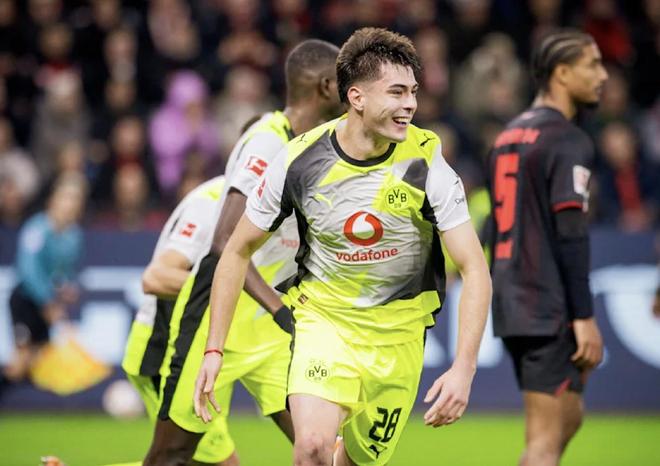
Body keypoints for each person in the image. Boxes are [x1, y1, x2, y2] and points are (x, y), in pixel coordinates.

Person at [195, 28, 491, 466]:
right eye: (396, 92)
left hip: (399, 341)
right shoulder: (299, 160)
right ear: (356, 97)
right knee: (311, 447)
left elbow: (475, 268)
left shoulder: (426, 161)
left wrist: (464, 369)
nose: (410, 103)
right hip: (325, 326)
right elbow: (235, 249)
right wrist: (214, 350)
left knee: (353, 460)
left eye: (412, 91)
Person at [143, 38, 343, 466]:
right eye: (346, 85)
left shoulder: (318, 148)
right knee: (172, 456)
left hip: (274, 332)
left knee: (320, 449)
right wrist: (280, 310)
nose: (353, 97)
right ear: (327, 87)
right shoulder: (267, 142)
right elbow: (226, 243)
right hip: (220, 319)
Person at [487, 30, 606, 466]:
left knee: (569, 417)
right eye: (592, 64)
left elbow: (492, 222)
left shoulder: (507, 137)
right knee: (544, 444)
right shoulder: (566, 139)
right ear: (562, 73)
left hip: (513, 299)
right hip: (546, 305)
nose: (603, 75)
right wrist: (583, 316)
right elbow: (570, 233)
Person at [121, 175, 233, 465]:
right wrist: (230, 290)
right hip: (161, 350)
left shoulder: (250, 197)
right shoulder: (211, 203)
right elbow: (155, 278)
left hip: (195, 353)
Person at [3, 173, 87, 385]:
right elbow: (28, 271)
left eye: (76, 199)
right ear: (53, 200)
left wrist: (66, 288)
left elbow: (64, 272)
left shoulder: (74, 236)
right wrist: (49, 303)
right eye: (66, 197)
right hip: (25, 301)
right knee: (21, 361)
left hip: (46, 305)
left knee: (37, 361)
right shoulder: (36, 229)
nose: (71, 204)